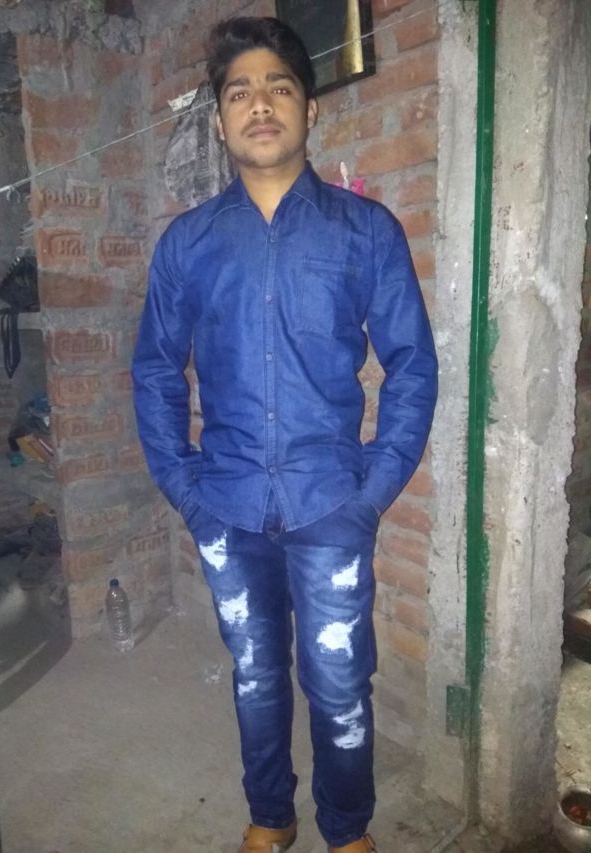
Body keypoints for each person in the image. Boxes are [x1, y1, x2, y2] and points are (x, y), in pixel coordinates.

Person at [132, 16, 438, 853]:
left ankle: (347, 828)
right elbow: (155, 371)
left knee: (338, 683)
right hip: (226, 507)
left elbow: (412, 365)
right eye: (240, 92)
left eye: (279, 87)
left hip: (330, 505)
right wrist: (186, 490)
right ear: (220, 121)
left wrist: (372, 491)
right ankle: (271, 814)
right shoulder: (188, 245)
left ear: (310, 108)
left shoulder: (364, 232)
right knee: (256, 675)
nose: (259, 104)